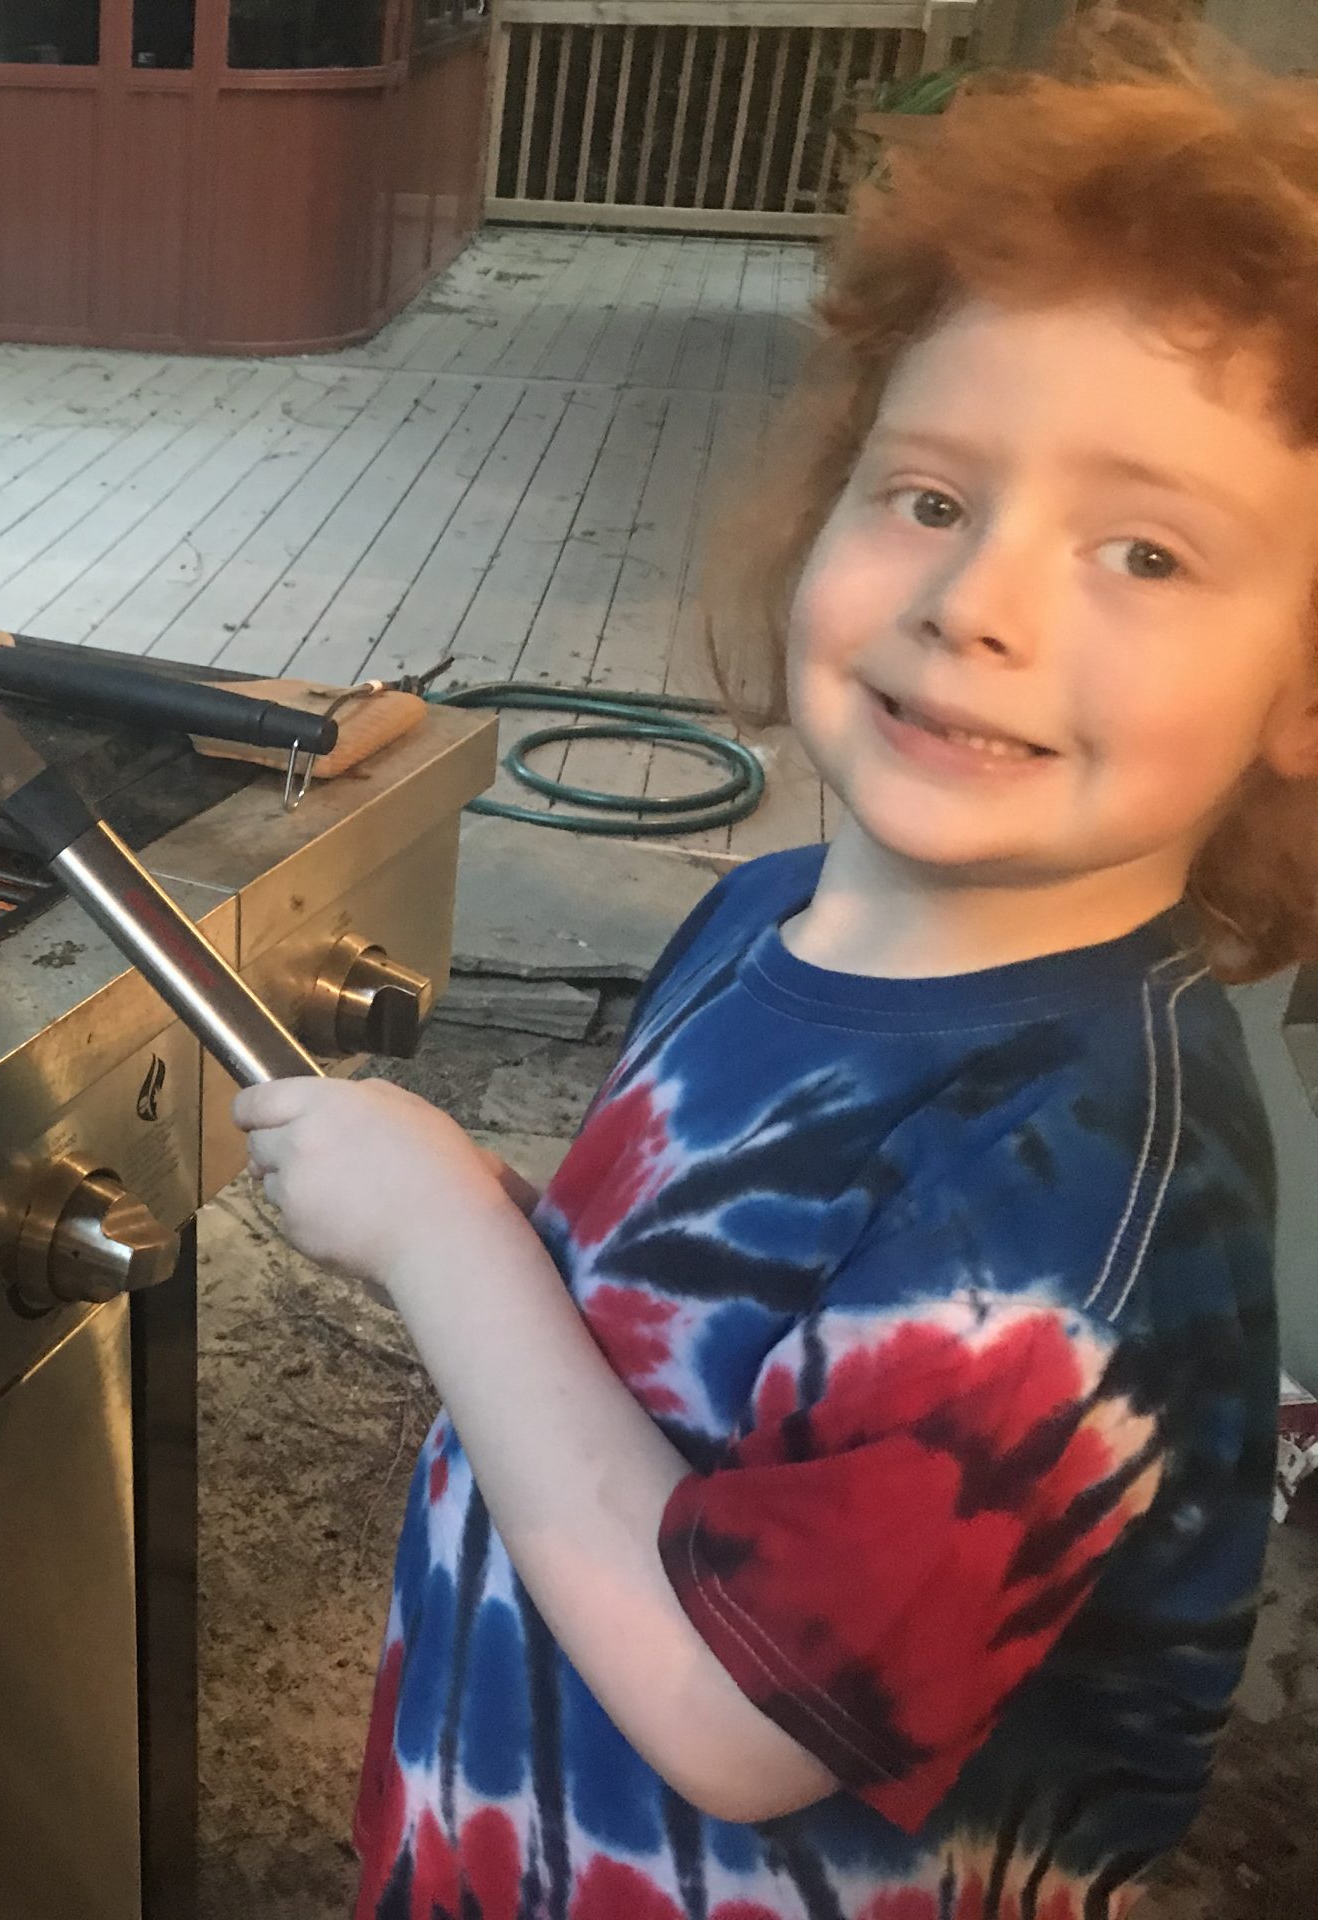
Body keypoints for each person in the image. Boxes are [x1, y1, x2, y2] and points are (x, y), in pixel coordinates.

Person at [235, 16, 1318, 1918]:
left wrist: (441, 1240)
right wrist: (510, 1223)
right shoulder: (764, 914)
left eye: (1145, 554)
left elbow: (744, 1718)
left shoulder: (1077, 1182)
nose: (974, 603)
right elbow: (688, 1322)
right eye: (932, 496)